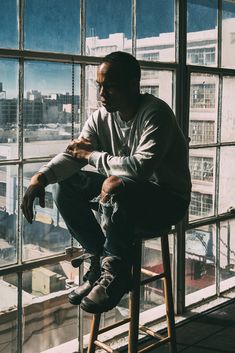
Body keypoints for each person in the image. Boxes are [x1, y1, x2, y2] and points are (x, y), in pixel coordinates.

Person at [21, 51, 191, 314]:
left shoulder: (156, 114)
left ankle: (116, 274)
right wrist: (40, 178)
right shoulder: (101, 116)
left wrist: (91, 155)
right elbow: (73, 155)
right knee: (65, 185)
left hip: (167, 201)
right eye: (99, 85)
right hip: (125, 194)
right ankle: (99, 259)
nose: (102, 94)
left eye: (110, 86)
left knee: (115, 184)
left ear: (133, 84)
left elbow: (139, 169)